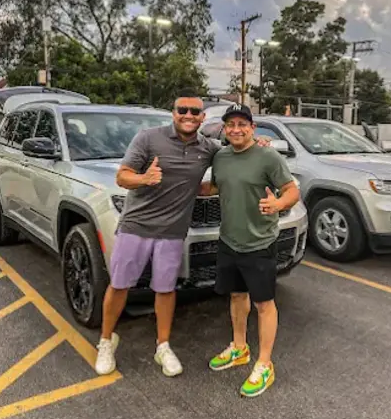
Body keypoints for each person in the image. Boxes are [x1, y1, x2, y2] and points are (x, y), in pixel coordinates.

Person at [95, 92, 270, 377]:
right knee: (119, 284)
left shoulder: (209, 148)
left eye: (194, 112)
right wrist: (144, 179)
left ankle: (163, 346)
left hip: (173, 232)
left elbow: (236, 150)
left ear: (203, 118)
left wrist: (258, 143)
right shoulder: (148, 138)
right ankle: (105, 341)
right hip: (137, 226)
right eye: (182, 110)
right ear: (173, 113)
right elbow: (122, 176)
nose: (188, 116)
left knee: (165, 289)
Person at [201, 104, 300, 397]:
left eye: (242, 124)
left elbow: (292, 190)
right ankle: (239, 347)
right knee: (236, 296)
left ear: (252, 128)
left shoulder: (268, 156)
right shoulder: (221, 157)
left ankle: (265, 364)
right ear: (224, 129)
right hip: (229, 240)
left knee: (264, 304)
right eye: (230, 124)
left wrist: (278, 204)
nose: (236, 129)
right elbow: (217, 187)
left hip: (259, 243)